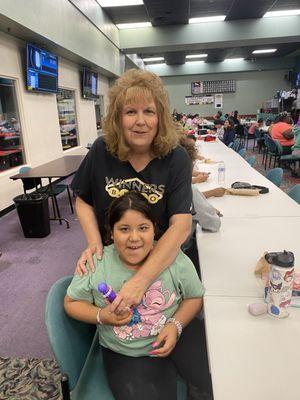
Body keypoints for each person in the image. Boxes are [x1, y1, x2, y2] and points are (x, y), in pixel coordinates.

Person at [64, 192, 211, 400]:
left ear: (154, 229)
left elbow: (194, 297)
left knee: (216, 374)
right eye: (124, 229)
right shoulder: (96, 262)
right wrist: (101, 316)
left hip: (177, 334)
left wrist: (175, 325)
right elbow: (70, 302)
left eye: (143, 228)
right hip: (125, 352)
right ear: (111, 232)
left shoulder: (172, 258)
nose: (134, 237)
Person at [71, 69, 193, 313]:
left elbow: (181, 225)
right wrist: (94, 242)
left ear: (160, 118)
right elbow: (83, 200)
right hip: (113, 259)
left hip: (158, 261)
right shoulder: (101, 150)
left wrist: (142, 280)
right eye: (130, 112)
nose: (140, 121)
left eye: (149, 111)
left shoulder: (176, 158)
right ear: (118, 118)